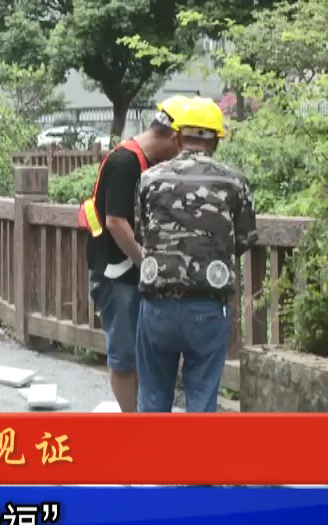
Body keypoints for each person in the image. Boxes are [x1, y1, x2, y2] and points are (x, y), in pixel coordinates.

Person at [133, 97, 257, 414]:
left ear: (176, 137)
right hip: (209, 305)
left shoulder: (150, 178)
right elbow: (244, 239)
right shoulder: (234, 181)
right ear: (215, 140)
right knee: (202, 402)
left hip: (157, 305)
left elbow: (143, 232)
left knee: (152, 398)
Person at [81, 97, 187, 413]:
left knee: (144, 356)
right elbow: (115, 221)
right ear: (173, 137)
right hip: (117, 275)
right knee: (125, 359)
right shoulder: (126, 163)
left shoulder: (145, 163)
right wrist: (147, 264)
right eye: (183, 146)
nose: (181, 155)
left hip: (132, 275)